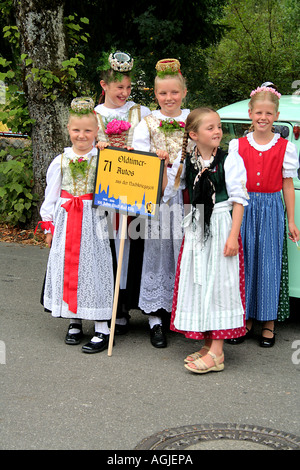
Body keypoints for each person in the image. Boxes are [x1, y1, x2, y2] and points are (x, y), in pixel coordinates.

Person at [170, 107, 249, 373]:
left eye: (219, 127)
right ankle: (207, 343)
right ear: (194, 134)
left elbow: (239, 200)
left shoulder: (229, 159)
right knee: (199, 279)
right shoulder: (188, 162)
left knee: (219, 282)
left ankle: (217, 352)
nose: (218, 132)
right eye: (210, 128)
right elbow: (170, 190)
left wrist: (233, 237)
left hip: (221, 221)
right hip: (197, 222)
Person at [37, 97, 114, 354]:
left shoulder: (103, 158)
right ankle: (74, 319)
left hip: (93, 221)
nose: (82, 136)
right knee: (67, 267)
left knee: (93, 267)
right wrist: (49, 226)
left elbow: (116, 188)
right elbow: (52, 196)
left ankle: (102, 325)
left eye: (88, 130)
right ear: (68, 130)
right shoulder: (60, 161)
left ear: (96, 132)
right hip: (67, 220)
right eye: (76, 130)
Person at [228, 86, 299, 347]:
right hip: (244, 208)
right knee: (246, 262)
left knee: (268, 264)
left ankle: (268, 324)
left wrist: (291, 220)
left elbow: (287, 185)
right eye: (259, 112)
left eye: (269, 113)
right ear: (250, 114)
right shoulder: (238, 145)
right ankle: (244, 320)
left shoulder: (284, 147)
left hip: (271, 208)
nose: (263, 117)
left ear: (276, 115)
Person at [132, 58, 190, 348]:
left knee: (185, 251)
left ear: (184, 93)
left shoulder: (193, 119)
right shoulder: (148, 123)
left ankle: (181, 312)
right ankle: (155, 317)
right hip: (158, 198)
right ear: (155, 96)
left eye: (174, 93)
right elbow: (140, 161)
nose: (169, 98)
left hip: (187, 198)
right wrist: (159, 165)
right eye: (162, 94)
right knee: (156, 251)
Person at [95, 51, 151, 334]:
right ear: (104, 85)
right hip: (102, 192)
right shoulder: (94, 115)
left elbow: (149, 147)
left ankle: (124, 304)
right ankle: (106, 304)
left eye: (129, 88)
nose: (125, 93)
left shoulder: (141, 112)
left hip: (132, 191)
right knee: (106, 246)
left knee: (131, 246)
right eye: (120, 88)